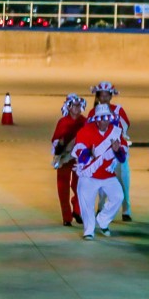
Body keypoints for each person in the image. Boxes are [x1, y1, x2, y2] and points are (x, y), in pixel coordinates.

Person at [71, 103, 129, 240]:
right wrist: (89, 153)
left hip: (108, 175)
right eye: (101, 118)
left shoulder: (116, 132)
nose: (104, 121)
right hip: (88, 175)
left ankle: (103, 220)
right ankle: (88, 230)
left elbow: (122, 158)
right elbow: (80, 157)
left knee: (118, 197)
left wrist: (117, 150)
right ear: (96, 119)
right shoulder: (85, 131)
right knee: (87, 203)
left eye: (106, 118)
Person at [91, 81, 133, 222]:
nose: (104, 98)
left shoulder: (118, 110)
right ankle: (101, 208)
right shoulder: (93, 112)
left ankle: (126, 210)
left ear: (111, 96)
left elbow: (125, 126)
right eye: (101, 96)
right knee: (102, 182)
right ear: (97, 97)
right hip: (101, 152)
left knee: (123, 180)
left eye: (106, 95)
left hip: (118, 150)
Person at [51, 94, 87, 226]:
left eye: (79, 105)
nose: (77, 108)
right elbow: (56, 141)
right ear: (68, 107)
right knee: (63, 186)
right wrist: (59, 149)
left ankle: (77, 210)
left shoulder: (85, 121)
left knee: (80, 185)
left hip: (79, 157)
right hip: (64, 157)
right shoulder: (63, 122)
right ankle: (66, 217)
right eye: (74, 105)